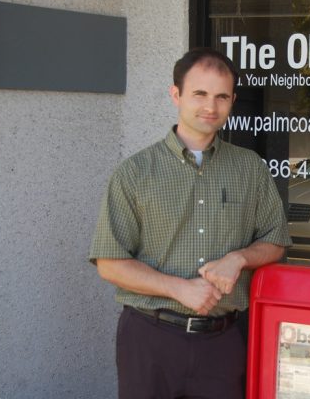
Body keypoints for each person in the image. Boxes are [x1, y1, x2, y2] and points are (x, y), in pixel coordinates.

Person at [89, 48, 291, 399]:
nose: (210, 107)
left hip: (224, 342)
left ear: (233, 101)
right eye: (199, 94)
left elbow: (276, 240)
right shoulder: (135, 172)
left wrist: (240, 258)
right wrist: (178, 288)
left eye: (221, 96)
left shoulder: (251, 169)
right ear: (176, 94)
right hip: (150, 338)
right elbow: (110, 263)